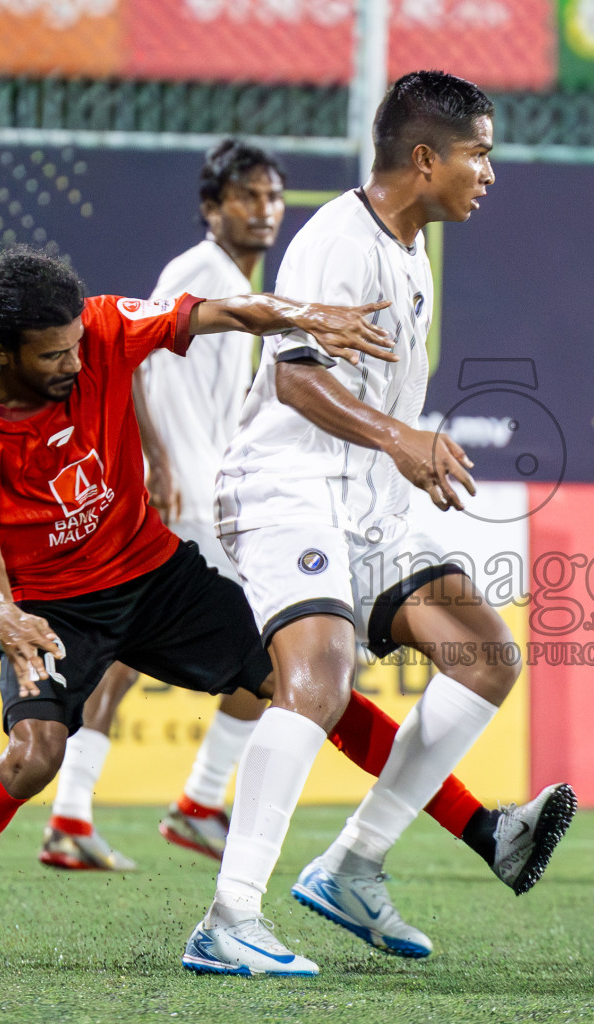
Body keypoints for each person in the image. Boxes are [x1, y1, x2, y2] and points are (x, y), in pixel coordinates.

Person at [43, 138, 573, 895]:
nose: (264, 211)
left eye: (270, 197)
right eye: (247, 197)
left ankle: (212, 807)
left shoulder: (378, 258)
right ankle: (82, 811)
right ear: (211, 205)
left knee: (304, 674)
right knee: (294, 677)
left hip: (284, 490)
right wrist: (153, 465)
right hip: (207, 494)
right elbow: (139, 366)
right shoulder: (210, 273)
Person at [0, 244, 397, 969]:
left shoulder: (102, 329)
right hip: (53, 611)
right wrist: (4, 613)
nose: (75, 364)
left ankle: (480, 828)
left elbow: (224, 311)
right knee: (32, 757)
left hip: (155, 574)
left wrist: (304, 315)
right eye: (52, 356)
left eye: (76, 346)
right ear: (2, 353)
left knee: (306, 684)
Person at [184, 70, 569, 976]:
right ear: (426, 157)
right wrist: (400, 437)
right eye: (479, 152)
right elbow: (293, 376)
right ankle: (230, 916)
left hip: (364, 502)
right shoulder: (337, 242)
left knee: (484, 654)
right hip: (287, 485)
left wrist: (403, 453)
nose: (489, 172)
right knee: (318, 679)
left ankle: (354, 864)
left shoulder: (407, 250)